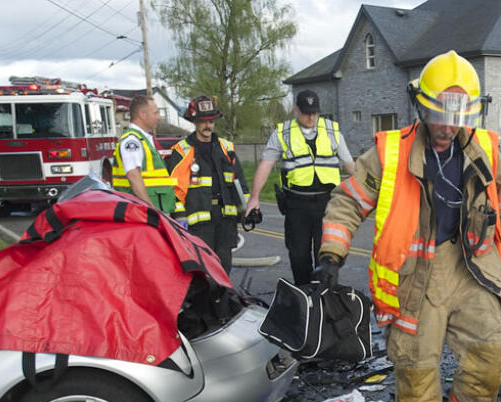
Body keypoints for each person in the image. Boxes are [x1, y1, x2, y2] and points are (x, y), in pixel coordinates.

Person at [316, 50, 501, 402]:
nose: (448, 125)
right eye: (440, 113)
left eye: (458, 114)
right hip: (415, 277)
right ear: (421, 106)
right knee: (416, 372)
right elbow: (347, 201)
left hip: (471, 266)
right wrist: (332, 254)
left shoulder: (486, 148)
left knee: (491, 354)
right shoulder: (389, 152)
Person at [245, 89, 354, 285]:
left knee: (327, 257)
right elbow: (265, 165)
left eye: (314, 112)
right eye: (305, 112)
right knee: (299, 257)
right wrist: (255, 198)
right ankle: (305, 300)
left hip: (327, 204)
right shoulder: (282, 133)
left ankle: (325, 303)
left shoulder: (332, 130)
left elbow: (351, 166)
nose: (311, 116)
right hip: (297, 205)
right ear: (296, 110)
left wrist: (371, 194)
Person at [166, 95, 246, 270]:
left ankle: (223, 298)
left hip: (225, 219)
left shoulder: (226, 148)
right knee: (204, 271)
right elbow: (173, 189)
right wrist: (179, 217)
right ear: (194, 122)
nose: (208, 125)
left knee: (224, 267)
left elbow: (239, 183)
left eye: (211, 120)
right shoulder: (182, 151)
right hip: (198, 224)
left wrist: (247, 210)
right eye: (203, 121)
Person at [112, 94, 176, 212]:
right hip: (144, 213)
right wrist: (151, 210)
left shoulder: (142, 139)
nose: (159, 117)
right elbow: (134, 176)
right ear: (143, 115)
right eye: (155, 113)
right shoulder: (132, 141)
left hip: (152, 211)